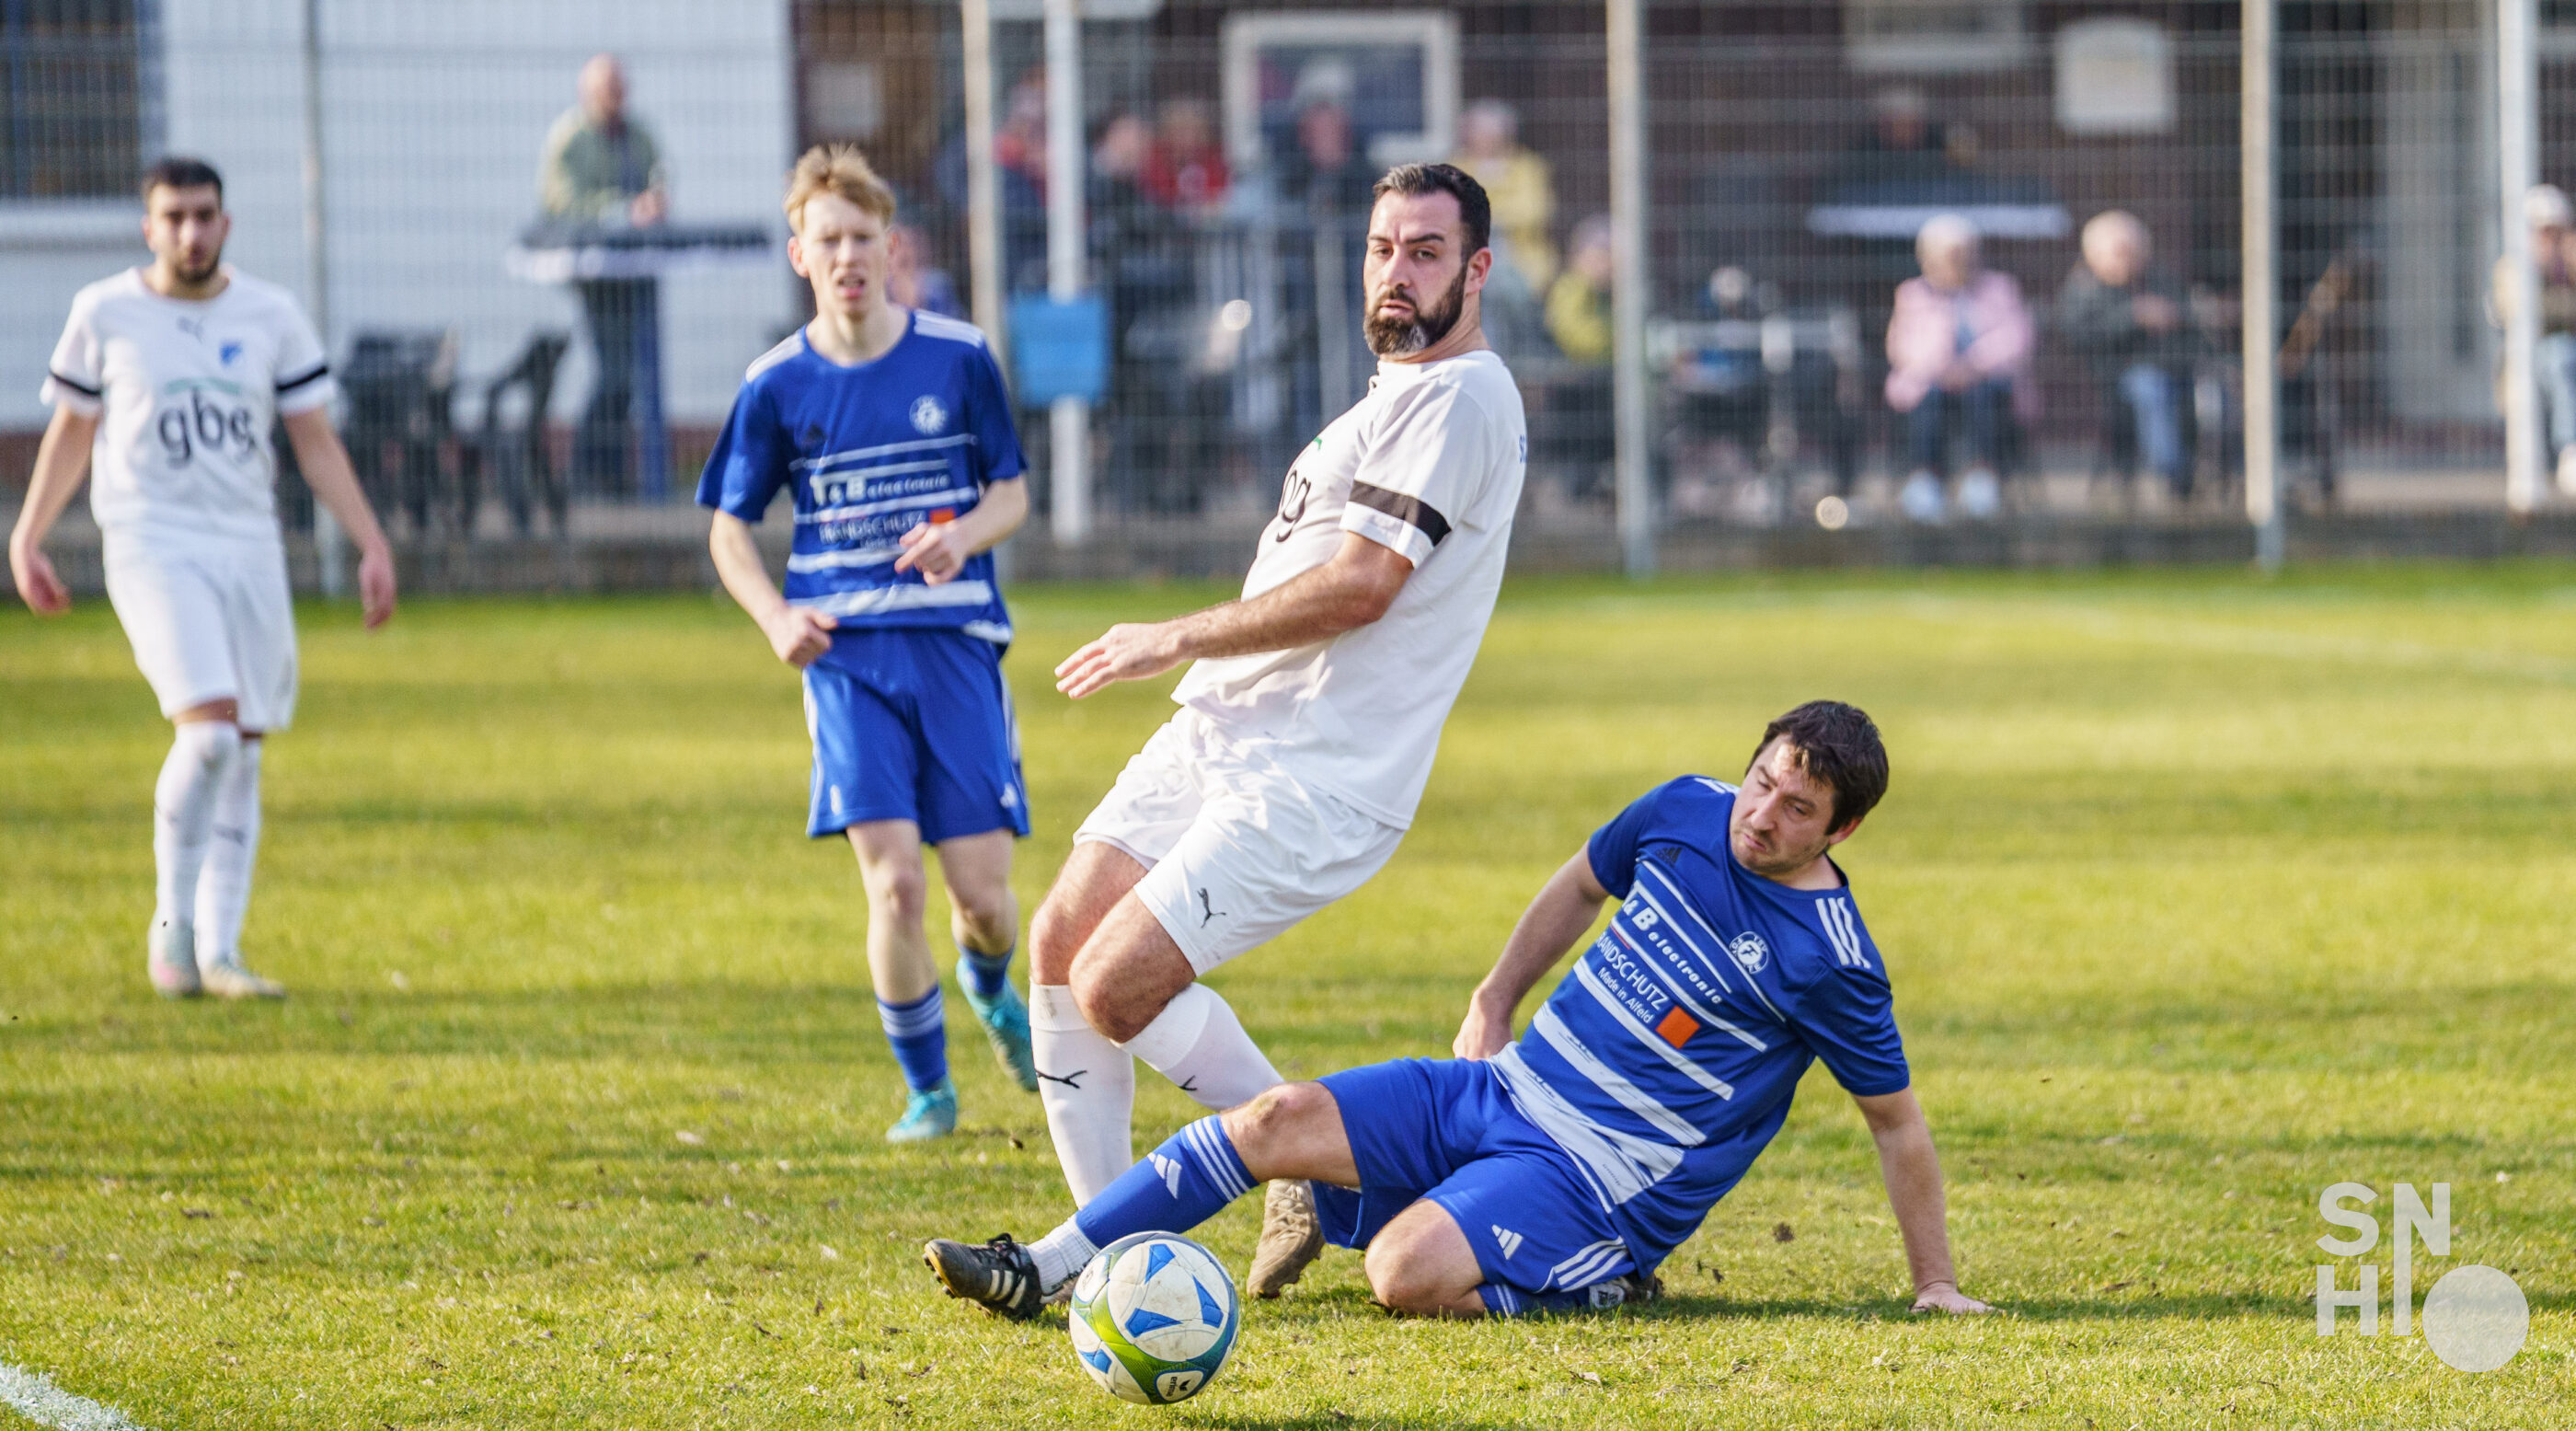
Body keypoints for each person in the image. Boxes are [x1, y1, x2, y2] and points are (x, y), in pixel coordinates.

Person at [926, 703, 1994, 1323]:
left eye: (1796, 808)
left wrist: (1934, 1283)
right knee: (1272, 1122)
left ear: (1840, 831)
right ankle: (1045, 1266)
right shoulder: (1683, 809)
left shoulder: (1830, 961)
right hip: (1503, 1090)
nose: (1759, 815)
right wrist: (1493, 999)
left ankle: (1604, 1281)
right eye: (1760, 781)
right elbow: (1579, 884)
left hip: (1593, 1180)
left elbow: (1895, 1122)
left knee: (1402, 1275)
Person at [1021, 163, 1527, 1296]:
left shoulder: (1461, 398)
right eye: (1382, 248)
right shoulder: (1388, 396)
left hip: (1316, 772)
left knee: (1113, 985)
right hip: (1224, 729)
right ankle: (1105, 1261)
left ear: (1478, 269)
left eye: (1427, 252)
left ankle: (1292, 1159)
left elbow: (1362, 585)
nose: (1396, 273)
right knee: (1057, 943)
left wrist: (1173, 635)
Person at [698, 145, 1036, 1143]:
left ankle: (988, 982)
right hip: (845, 658)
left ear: (892, 247)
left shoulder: (958, 357)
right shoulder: (775, 384)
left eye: (863, 237)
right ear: (799, 254)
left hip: (954, 647)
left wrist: (962, 536)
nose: (847, 256)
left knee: (982, 896)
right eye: (828, 239)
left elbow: (1011, 493)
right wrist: (776, 617)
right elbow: (728, 529)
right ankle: (929, 1092)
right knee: (893, 881)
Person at [9, 156, 398, 1000]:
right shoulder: (105, 312)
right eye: (174, 216)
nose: (190, 232)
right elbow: (72, 432)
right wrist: (28, 535)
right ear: (148, 228)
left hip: (247, 543)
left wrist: (370, 541)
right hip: (152, 539)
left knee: (243, 750)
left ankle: (220, 952)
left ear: (226, 223)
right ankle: (171, 928)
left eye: (204, 215)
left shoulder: (271, 315)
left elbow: (314, 440)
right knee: (211, 734)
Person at [539, 53, 669, 497]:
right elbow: (560, 203)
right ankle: (582, 471)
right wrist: (622, 212)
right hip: (595, 274)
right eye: (607, 90)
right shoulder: (570, 139)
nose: (616, 98)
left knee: (630, 376)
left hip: (637, 271)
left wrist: (655, 202)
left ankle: (614, 475)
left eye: (620, 89)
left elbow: (658, 178)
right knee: (613, 372)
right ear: (589, 93)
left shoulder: (638, 135)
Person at [1884, 214, 2033, 524]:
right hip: (1931, 382)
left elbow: (2017, 339)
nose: (1956, 264)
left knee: (1982, 397)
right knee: (1929, 401)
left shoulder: (2000, 288)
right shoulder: (1912, 294)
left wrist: (1973, 366)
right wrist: (1941, 367)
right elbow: (1901, 347)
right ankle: (1926, 480)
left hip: (1987, 382)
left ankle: (1983, 479)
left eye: (1962, 255)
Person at [2059, 211, 2195, 502]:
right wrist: (2133, 316)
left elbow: (2189, 320)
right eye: (2121, 252)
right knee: (2149, 387)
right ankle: (2171, 476)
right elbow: (2080, 335)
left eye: (2135, 251)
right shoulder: (2084, 289)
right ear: (2095, 255)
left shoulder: (2160, 280)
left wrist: (2174, 317)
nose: (2130, 260)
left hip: (2177, 369)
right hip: (2115, 376)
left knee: (2217, 391)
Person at [2491, 183, 2576, 496]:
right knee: (2560, 354)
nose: (2551, 241)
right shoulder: (2512, 268)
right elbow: (2524, 313)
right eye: (2544, 232)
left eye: (2557, 232)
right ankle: (2570, 451)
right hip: (2528, 366)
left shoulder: (2569, 267)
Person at [1451, 99, 1558, 295]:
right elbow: (1452, 212)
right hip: (1468, 260)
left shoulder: (1526, 167)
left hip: (1522, 261)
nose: (1487, 141)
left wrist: (1488, 216)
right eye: (1480, 134)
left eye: (1493, 135)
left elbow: (1534, 211)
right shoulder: (1456, 168)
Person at [1141, 98, 1229, 215]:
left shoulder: (1212, 156)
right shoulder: (1157, 157)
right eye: (1180, 131)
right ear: (1167, 133)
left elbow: (1219, 191)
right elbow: (1156, 192)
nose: (1187, 137)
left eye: (1193, 131)